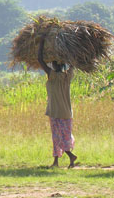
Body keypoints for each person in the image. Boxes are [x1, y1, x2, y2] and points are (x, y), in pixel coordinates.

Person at [38, 38, 77, 168]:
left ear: (54, 66)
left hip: (55, 112)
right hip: (66, 112)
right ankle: (56, 162)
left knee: (57, 137)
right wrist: (70, 49)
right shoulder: (68, 76)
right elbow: (73, 63)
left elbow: (40, 60)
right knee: (63, 136)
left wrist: (42, 43)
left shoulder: (52, 76)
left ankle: (71, 156)